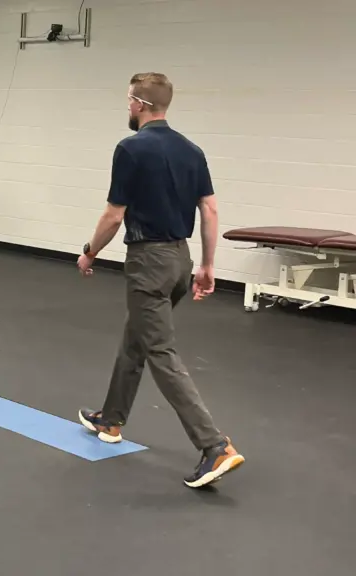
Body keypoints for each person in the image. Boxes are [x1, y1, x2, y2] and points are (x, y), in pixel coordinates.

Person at [75, 73, 245, 489]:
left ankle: (214, 446)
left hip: (148, 261)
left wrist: (89, 250)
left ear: (138, 104)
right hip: (179, 262)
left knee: (160, 350)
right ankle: (111, 420)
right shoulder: (192, 150)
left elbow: (114, 215)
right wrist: (206, 265)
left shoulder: (130, 148)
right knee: (137, 338)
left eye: (127, 103)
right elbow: (210, 211)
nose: (127, 109)